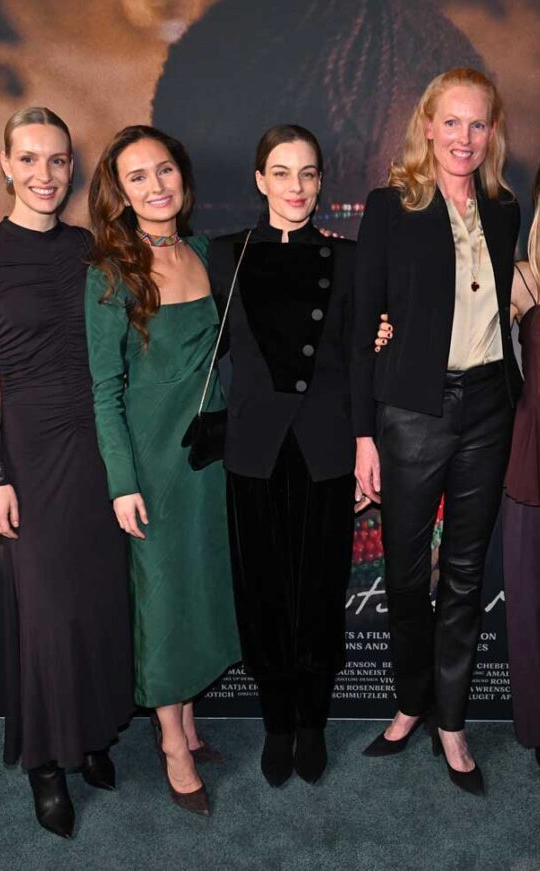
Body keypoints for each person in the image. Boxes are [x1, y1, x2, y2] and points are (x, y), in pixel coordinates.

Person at [374, 141, 540, 828]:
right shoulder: (522, 279)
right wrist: (387, 325)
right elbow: (446, 305)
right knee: (530, 613)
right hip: (531, 463)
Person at [0, 107, 134, 839]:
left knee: (98, 601)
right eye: (28, 159)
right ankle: (47, 762)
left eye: (57, 160)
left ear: (72, 166)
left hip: (98, 445)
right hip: (29, 453)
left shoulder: (90, 248)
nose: (44, 174)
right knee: (48, 613)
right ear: (5, 165)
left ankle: (91, 734)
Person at [352, 67, 522, 795]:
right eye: (451, 122)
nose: (464, 137)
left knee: (465, 572)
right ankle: (410, 702)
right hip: (411, 411)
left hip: (488, 405)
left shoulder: (506, 208)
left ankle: (451, 720)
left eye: (477, 124)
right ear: (427, 126)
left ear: (493, 133)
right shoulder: (391, 207)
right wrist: (363, 435)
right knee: (404, 571)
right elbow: (363, 323)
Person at [85, 125, 241, 817]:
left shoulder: (205, 254)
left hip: (208, 456)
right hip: (151, 463)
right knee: (163, 596)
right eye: (138, 176)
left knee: (199, 586)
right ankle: (172, 744)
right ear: (120, 194)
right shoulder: (109, 273)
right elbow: (104, 390)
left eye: (165, 169)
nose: (156, 185)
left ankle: (189, 725)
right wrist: (121, 482)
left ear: (183, 176)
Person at [207, 125, 361, 788]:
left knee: (321, 589)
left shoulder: (348, 258)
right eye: (281, 172)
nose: (295, 186)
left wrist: (366, 438)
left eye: (307, 173)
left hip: (326, 443)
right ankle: (277, 722)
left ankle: (313, 722)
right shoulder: (224, 254)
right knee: (263, 589)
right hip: (254, 446)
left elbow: (362, 357)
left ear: (321, 182)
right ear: (259, 180)